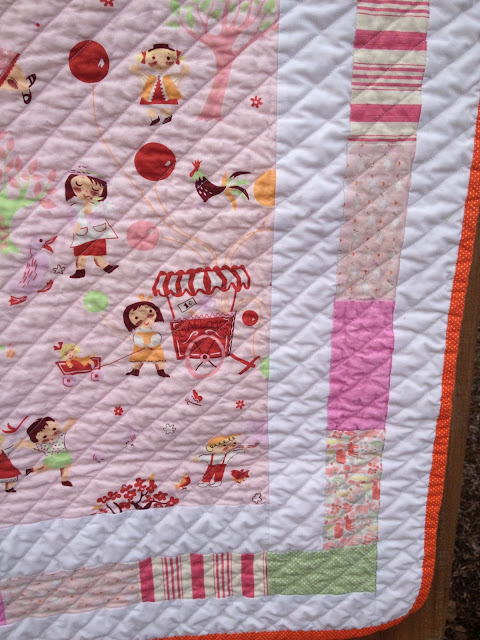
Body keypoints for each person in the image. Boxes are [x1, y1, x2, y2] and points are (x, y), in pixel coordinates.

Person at [65, 167, 118, 279]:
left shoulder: (98, 205)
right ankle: (80, 270)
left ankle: (106, 267)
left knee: (98, 252)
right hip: (82, 233)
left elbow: (105, 212)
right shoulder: (75, 206)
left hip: (97, 232)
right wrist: (75, 226)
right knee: (81, 253)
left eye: (93, 191)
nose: (86, 193)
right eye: (78, 189)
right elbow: (72, 217)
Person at [130, 43, 188, 126]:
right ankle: (155, 118)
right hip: (152, 94)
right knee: (149, 107)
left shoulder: (166, 77)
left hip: (165, 93)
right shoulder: (151, 77)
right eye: (153, 58)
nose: (160, 62)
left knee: (164, 106)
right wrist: (138, 72)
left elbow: (175, 78)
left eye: (168, 58)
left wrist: (182, 73)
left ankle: (167, 116)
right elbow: (144, 78)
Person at [21, 417, 76, 486]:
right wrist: (25, 444)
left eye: (54, 429)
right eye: (44, 437)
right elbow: (33, 446)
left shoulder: (59, 436)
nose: (51, 435)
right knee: (44, 468)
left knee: (65, 467)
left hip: (64, 456)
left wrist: (70, 422)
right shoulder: (44, 446)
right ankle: (31, 470)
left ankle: (64, 480)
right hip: (52, 459)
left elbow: (65, 429)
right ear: (37, 441)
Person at [123, 297, 170, 377]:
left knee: (158, 359)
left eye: (149, 312)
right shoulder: (138, 335)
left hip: (154, 347)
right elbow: (137, 339)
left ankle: (161, 370)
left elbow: (157, 338)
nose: (145, 319)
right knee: (138, 359)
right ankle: (135, 370)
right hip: (141, 348)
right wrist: (142, 344)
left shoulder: (154, 334)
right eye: (136, 317)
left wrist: (153, 342)